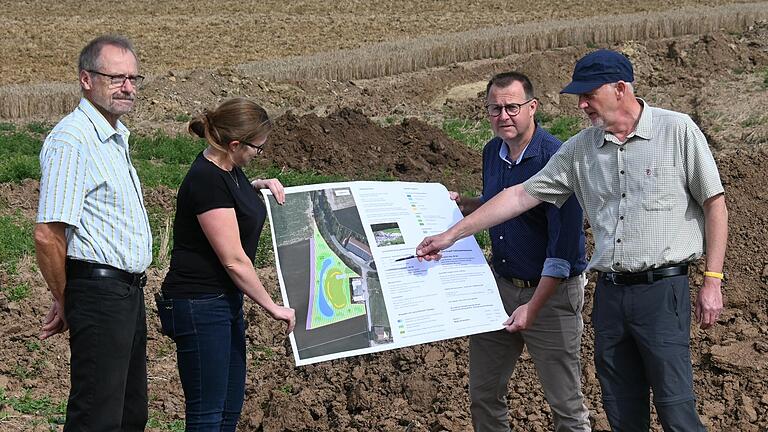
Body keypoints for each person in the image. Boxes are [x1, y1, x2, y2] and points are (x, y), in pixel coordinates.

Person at [417, 50, 727, 431]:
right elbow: (518, 196)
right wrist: (450, 235)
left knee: (674, 404)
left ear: (619, 88)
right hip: (610, 294)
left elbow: (715, 204)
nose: (581, 105)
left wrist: (713, 279)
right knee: (620, 404)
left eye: (588, 95)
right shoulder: (580, 148)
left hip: (662, 292)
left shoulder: (677, 130)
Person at [451, 71, 590, 431]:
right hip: (497, 291)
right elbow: (498, 205)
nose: (503, 116)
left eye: (512, 107)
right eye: (494, 109)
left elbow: (565, 249)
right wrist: (465, 204)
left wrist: (534, 305)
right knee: (484, 394)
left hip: (552, 296)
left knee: (566, 405)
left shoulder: (557, 157)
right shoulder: (491, 153)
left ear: (532, 107)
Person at [34, 35, 151, 431]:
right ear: (86, 79)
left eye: (133, 78)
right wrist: (70, 299)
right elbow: (48, 234)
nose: (128, 87)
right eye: (116, 77)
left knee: (128, 415)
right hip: (100, 296)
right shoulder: (73, 140)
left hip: (126, 293)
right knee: (98, 419)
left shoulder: (114, 138)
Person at [156, 97, 296, 431]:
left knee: (228, 410)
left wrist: (256, 187)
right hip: (200, 303)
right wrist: (272, 306)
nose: (258, 155)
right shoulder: (205, 179)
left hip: (222, 302)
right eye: (257, 149)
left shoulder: (229, 171)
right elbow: (234, 260)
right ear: (235, 144)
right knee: (207, 414)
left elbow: (228, 202)